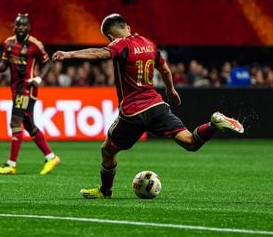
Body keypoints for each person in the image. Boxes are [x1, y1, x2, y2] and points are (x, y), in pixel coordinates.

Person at [52, 13, 244, 199]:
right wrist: (170, 90)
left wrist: (69, 54)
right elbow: (166, 69)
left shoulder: (120, 45)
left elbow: (97, 53)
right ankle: (213, 124)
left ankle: (105, 191)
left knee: (107, 150)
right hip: (157, 105)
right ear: (127, 27)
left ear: (110, 36)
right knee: (190, 143)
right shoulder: (148, 43)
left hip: (133, 112)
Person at [0, 13, 60, 175]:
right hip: (16, 89)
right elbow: (5, 63)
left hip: (27, 89)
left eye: (24, 26)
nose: (21, 28)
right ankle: (51, 157)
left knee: (15, 122)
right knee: (28, 124)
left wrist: (39, 78)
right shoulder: (8, 43)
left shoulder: (35, 44)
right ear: (14, 27)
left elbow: (48, 62)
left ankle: (10, 164)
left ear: (28, 28)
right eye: (18, 25)